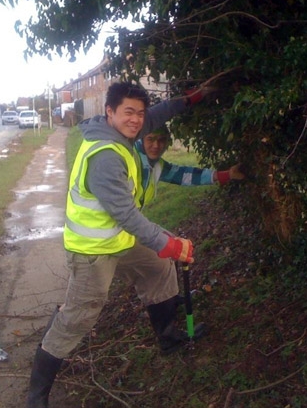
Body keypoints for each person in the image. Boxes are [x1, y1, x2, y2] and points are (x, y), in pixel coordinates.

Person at [27, 82, 208, 408]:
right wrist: (167, 242)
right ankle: (36, 397)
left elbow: (157, 114)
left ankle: (167, 337)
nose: (137, 120)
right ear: (109, 112)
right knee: (78, 318)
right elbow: (125, 214)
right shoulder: (106, 155)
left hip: (118, 241)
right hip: (93, 252)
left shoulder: (121, 133)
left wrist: (190, 99)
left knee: (158, 268)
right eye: (129, 112)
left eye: (140, 113)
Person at [134, 126, 245, 209]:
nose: (156, 145)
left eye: (161, 140)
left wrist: (226, 174)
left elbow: (182, 175)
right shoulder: (130, 160)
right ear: (141, 139)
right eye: (150, 139)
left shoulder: (155, 164)